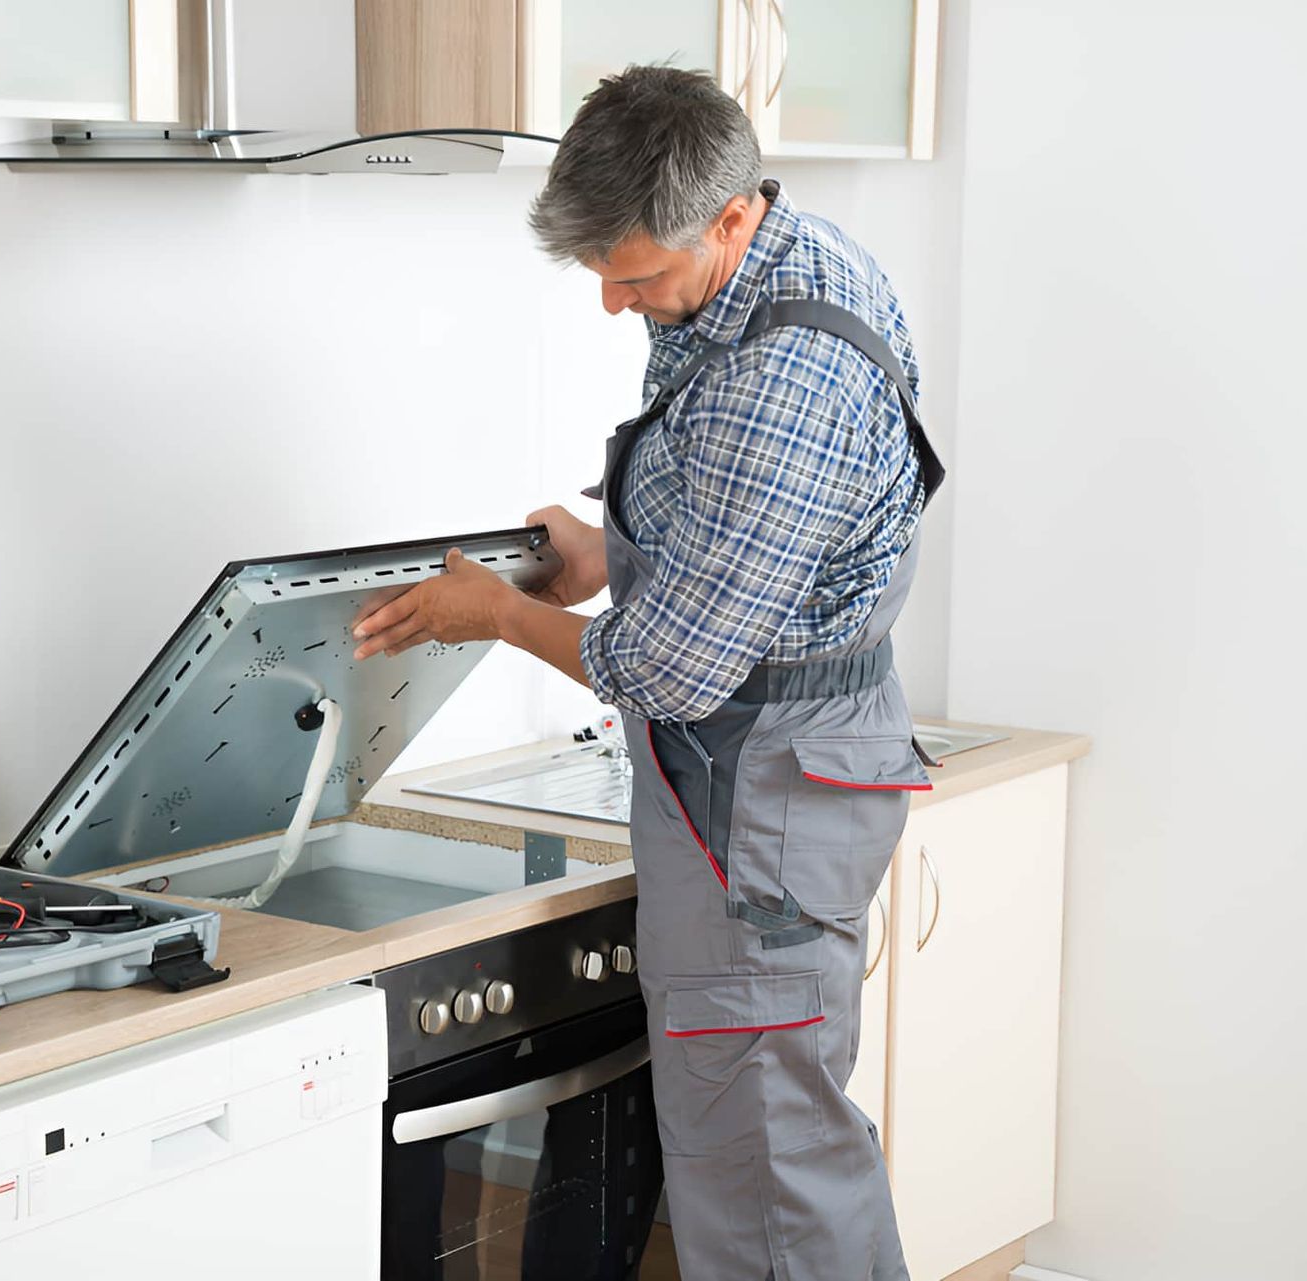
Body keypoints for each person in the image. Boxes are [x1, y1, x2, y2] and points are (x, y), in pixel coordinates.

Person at [352, 65, 943, 1280]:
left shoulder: (783, 375)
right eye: (600, 276)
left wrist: (499, 618)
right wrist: (604, 556)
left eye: (637, 276)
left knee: (768, 1175)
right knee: (792, 1150)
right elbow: (747, 542)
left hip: (760, 797)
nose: (617, 306)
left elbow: (670, 671)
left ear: (732, 215)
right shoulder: (786, 262)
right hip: (786, 775)